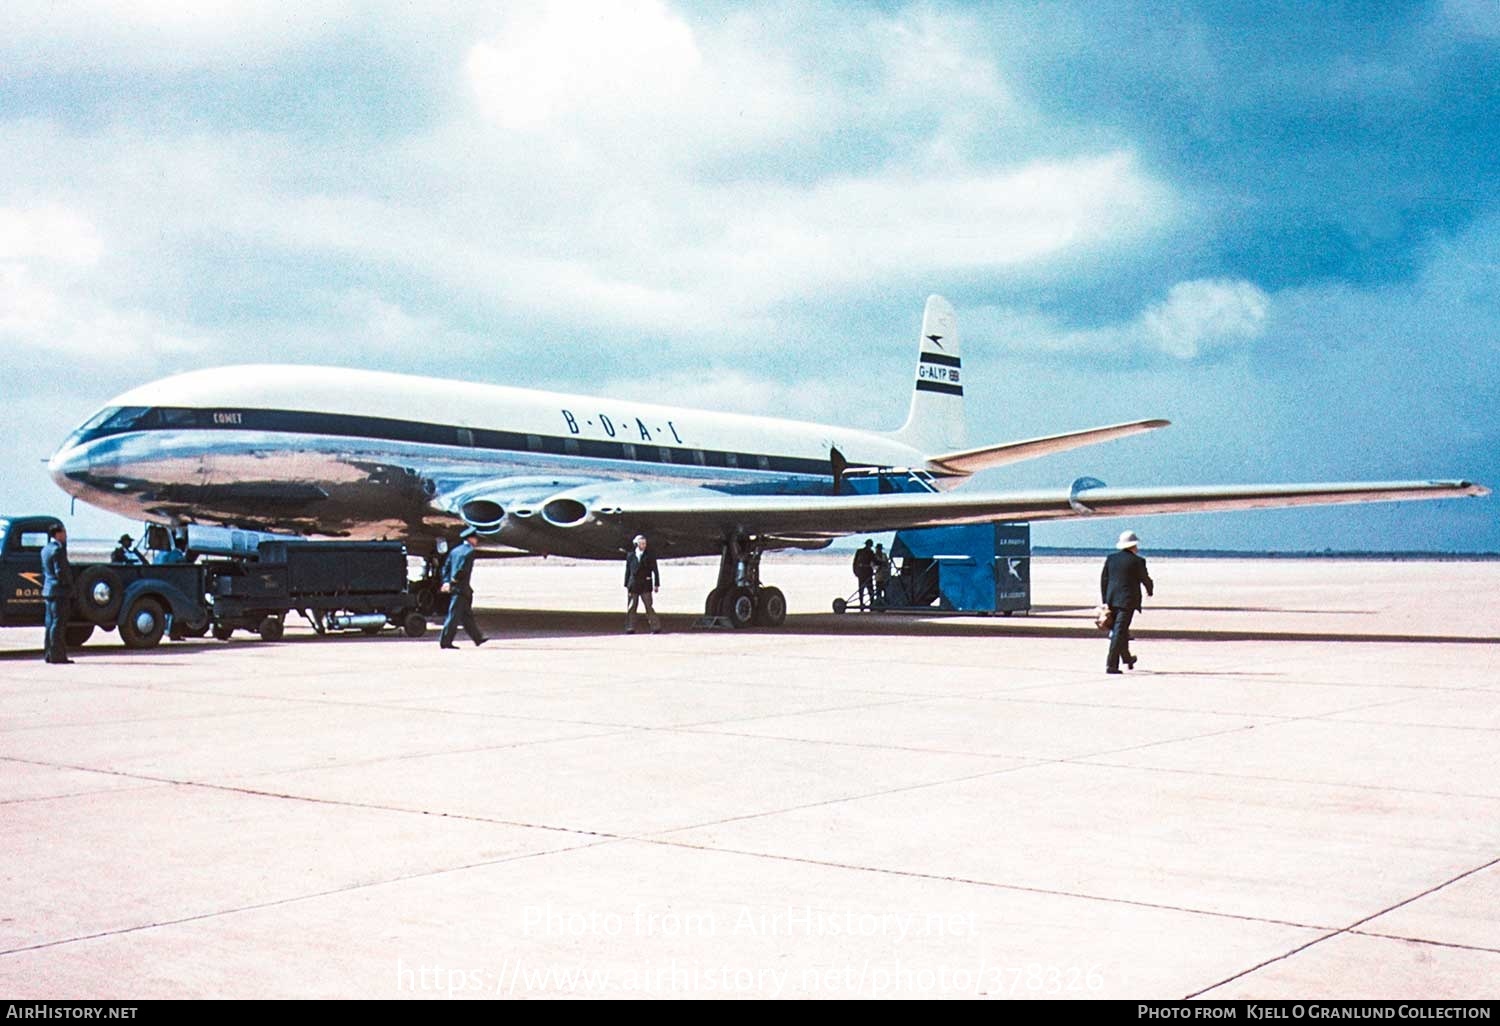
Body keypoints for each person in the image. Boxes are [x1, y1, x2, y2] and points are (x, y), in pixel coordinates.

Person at [1101, 529, 1154, 675]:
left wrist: (1105, 600)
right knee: (1119, 631)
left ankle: (1127, 659)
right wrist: (1150, 590)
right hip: (1127, 602)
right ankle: (1111, 664)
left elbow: (1104, 580)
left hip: (1112, 600)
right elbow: (1145, 579)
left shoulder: (1111, 558)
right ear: (1133, 546)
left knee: (1121, 631)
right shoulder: (1138, 561)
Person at [438, 528, 488, 649]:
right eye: (476, 539)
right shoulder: (469, 552)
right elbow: (462, 570)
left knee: (466, 616)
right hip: (460, 588)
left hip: (459, 588)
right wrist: (453, 581)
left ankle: (478, 638)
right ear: (470, 539)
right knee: (453, 616)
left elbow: (446, 567)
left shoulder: (455, 551)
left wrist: (445, 581)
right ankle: (445, 641)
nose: (476, 541)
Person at [41, 524, 74, 665]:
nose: (66, 535)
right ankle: (58, 655)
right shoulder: (58, 550)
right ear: (58, 534)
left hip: (49, 590)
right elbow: (60, 571)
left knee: (50, 624)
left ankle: (49, 653)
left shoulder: (45, 549)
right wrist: (68, 584)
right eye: (64, 532)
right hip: (59, 591)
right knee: (58, 624)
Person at [624, 534, 661, 634]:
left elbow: (655, 570)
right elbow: (628, 570)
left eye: (644, 543)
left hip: (645, 584)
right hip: (633, 585)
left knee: (649, 607)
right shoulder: (630, 555)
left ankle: (655, 627)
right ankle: (630, 627)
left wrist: (656, 584)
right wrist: (626, 584)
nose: (643, 545)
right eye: (641, 543)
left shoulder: (650, 555)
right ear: (636, 544)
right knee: (631, 608)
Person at [852, 538, 876, 611]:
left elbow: (874, 560)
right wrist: (855, 572)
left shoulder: (871, 552)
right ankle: (862, 603)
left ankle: (871, 603)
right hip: (862, 573)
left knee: (869, 589)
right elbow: (855, 562)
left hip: (867, 572)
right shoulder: (860, 551)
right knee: (862, 589)